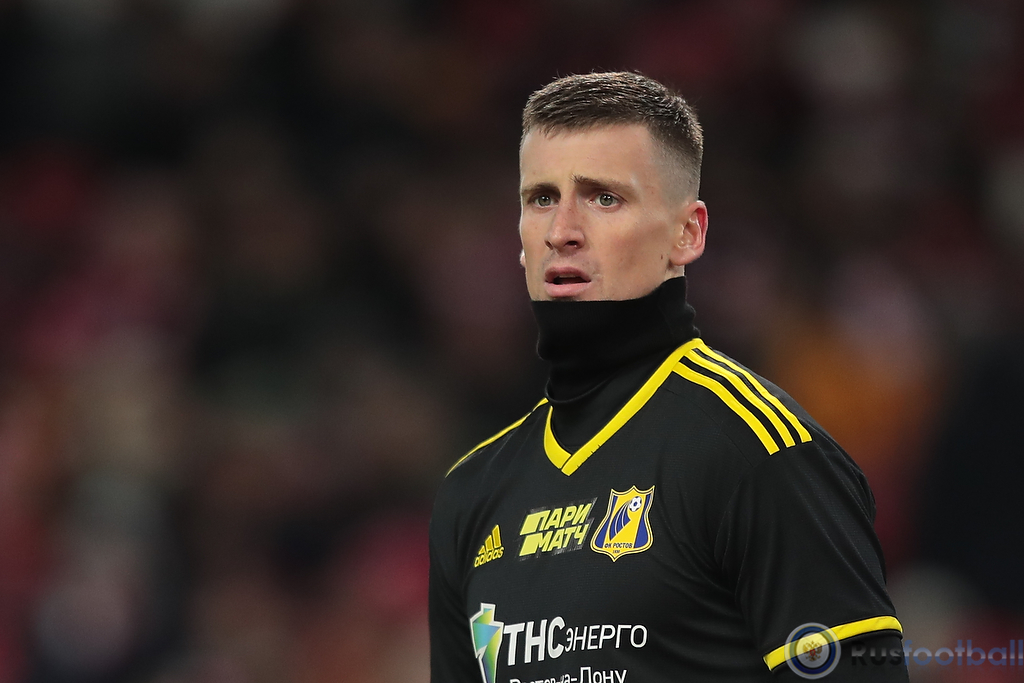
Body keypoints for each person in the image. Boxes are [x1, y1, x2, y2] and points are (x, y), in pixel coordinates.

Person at [429, 72, 908, 682]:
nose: (561, 231)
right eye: (541, 198)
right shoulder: (470, 495)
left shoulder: (757, 454)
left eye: (604, 198)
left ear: (688, 233)